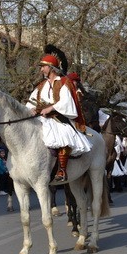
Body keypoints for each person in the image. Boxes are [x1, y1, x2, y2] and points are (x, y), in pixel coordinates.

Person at [25, 50, 91, 182]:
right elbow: (31, 100)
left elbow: (67, 102)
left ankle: (62, 170)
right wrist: (31, 109)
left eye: (43, 66)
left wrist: (51, 107)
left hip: (58, 119)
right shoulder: (41, 85)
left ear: (50, 67)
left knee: (64, 138)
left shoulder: (64, 82)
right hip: (42, 118)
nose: (41, 69)